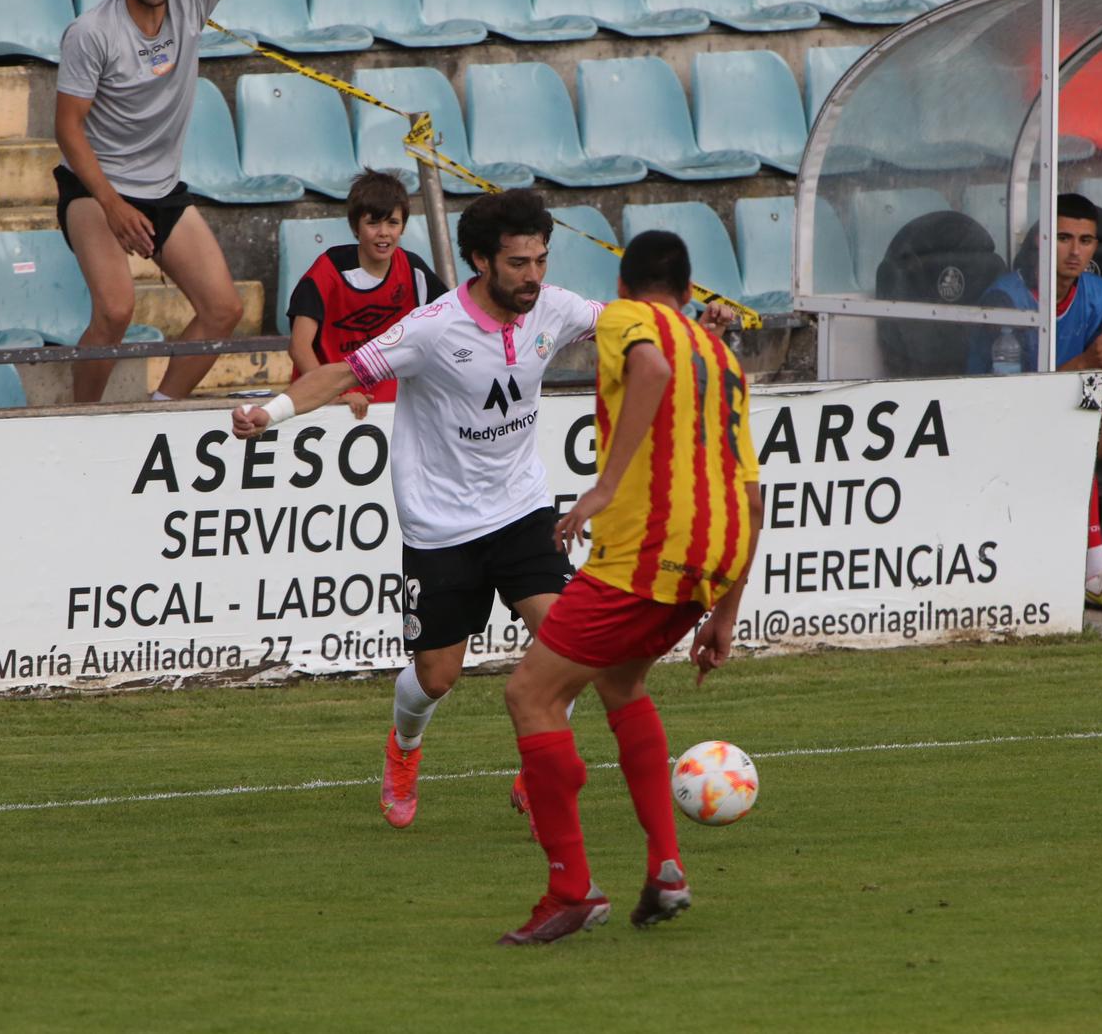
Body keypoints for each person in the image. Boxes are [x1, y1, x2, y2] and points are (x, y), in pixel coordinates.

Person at [234, 191, 735, 832]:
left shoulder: (553, 307)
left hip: (523, 510)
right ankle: (404, 751)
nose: (534, 276)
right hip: (441, 525)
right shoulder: (433, 327)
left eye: (542, 260)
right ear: (479, 260)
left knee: (572, 647)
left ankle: (540, 761)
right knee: (438, 676)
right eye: (519, 263)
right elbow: (339, 374)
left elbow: (633, 322)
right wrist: (267, 414)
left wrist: (698, 324)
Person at [494, 230, 761, 946]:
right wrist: (725, 616)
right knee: (619, 684)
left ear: (626, 284)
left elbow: (647, 368)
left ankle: (570, 888)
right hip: (714, 556)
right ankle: (666, 867)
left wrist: (602, 487)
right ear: (690, 285)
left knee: (531, 694)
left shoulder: (624, 319)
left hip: (645, 553)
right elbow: (752, 493)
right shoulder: (721, 354)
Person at [56, 0, 251, 404]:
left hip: (161, 187)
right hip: (95, 186)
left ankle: (161, 407)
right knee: (116, 309)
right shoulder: (91, 32)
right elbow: (68, 128)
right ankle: (78, 421)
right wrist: (112, 205)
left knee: (223, 309)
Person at [979, 194, 1102, 609]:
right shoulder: (1005, 298)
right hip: (1004, 425)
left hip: (1064, 414)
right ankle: (1094, 572)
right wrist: (1089, 364)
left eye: (1086, 240)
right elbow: (1012, 396)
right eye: (1063, 238)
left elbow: (1099, 369)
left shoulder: (1094, 289)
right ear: (1040, 242)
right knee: (1076, 435)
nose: (1076, 251)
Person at [286, 169, 446, 420]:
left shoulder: (415, 271)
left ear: (403, 225)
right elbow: (299, 346)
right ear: (355, 227)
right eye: (373, 223)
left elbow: (450, 326)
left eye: (392, 223)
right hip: (328, 406)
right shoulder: (328, 270)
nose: (383, 232)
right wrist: (334, 395)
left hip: (394, 409)